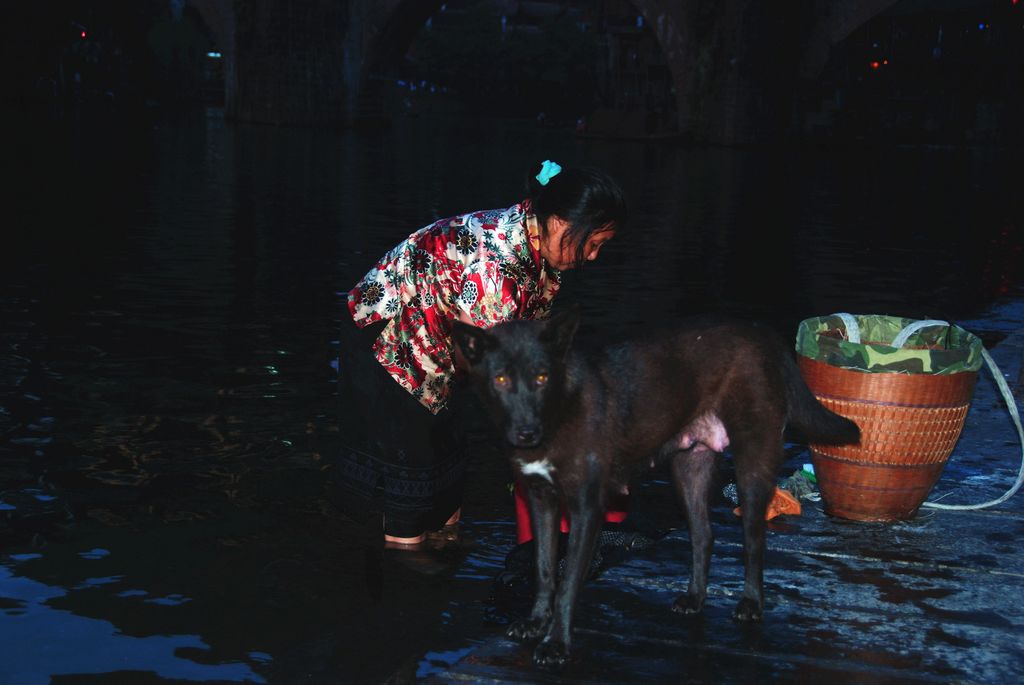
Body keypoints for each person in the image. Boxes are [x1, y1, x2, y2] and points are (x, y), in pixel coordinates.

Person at [335, 160, 627, 546]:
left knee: (450, 470)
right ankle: (403, 575)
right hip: (393, 339)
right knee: (411, 477)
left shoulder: (540, 244)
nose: (592, 257)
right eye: (592, 243)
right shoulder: (496, 268)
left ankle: (441, 554)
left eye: (600, 247)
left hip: (445, 349)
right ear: (559, 221)